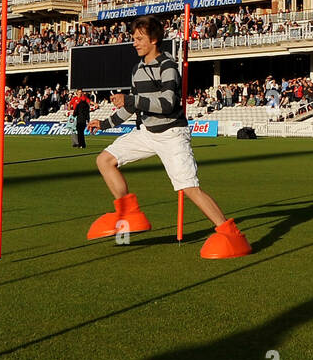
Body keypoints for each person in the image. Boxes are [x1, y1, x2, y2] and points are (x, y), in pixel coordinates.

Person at [85, 17, 250, 259]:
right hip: (147, 133)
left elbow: (167, 103)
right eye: (133, 38)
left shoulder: (168, 66)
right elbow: (131, 107)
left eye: (139, 39)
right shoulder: (137, 69)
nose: (134, 43)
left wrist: (131, 100)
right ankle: (128, 211)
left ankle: (230, 233)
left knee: (189, 188)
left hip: (173, 133)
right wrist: (106, 123)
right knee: (104, 160)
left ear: (153, 39)